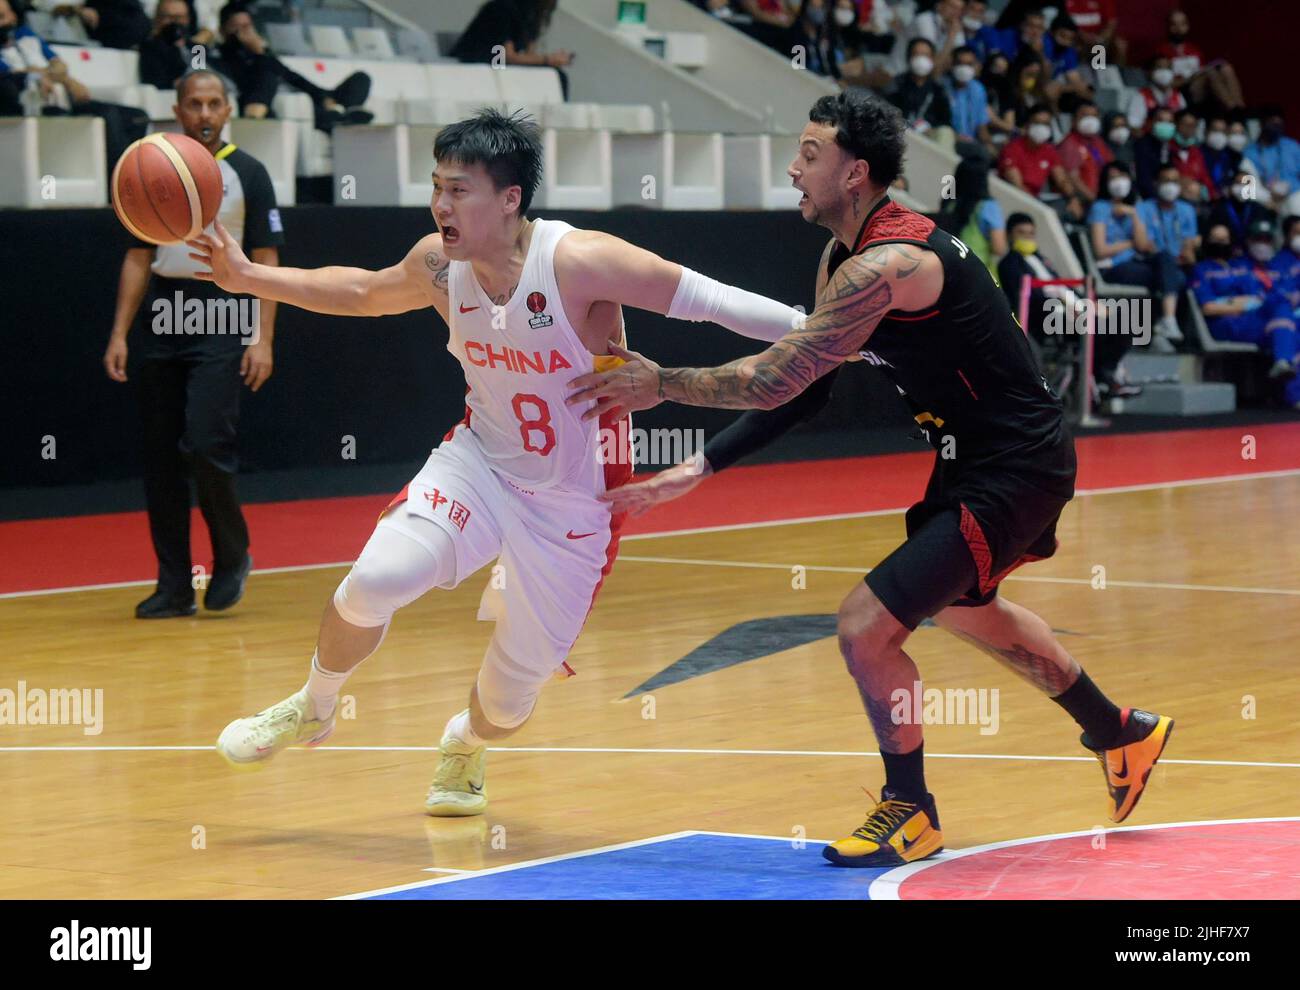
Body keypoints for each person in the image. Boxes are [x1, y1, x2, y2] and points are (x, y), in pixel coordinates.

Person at [568, 89, 1174, 867]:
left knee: (864, 627)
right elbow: (810, 387)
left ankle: (911, 810)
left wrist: (664, 383)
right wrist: (695, 467)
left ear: (854, 174)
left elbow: (774, 377)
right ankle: (1121, 731)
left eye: (809, 155)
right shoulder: (842, 259)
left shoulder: (891, 266)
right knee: (969, 614)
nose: (793, 168)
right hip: (973, 463)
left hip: (1018, 466)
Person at [193, 108, 813, 815]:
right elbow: (363, 293)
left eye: (459, 191)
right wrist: (247, 278)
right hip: (481, 463)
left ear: (510, 199)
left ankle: (465, 741)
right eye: (436, 188)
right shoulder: (438, 264)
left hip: (577, 502)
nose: (441, 205)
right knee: (374, 579)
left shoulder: (579, 261)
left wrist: (823, 333)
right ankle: (315, 702)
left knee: (508, 701)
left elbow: (712, 302)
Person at [103, 70, 282, 619]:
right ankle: (175, 585)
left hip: (223, 313)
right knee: (160, 457)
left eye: (214, 103)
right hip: (164, 313)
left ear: (228, 110)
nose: (204, 113)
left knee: (205, 444)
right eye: (194, 104)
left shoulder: (248, 171)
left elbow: (266, 259)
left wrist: (263, 338)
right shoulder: (152, 166)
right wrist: (119, 332)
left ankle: (232, 557)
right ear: (178, 111)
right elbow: (139, 254)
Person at [998, 211, 1140, 400]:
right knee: (1099, 327)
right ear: (1010, 235)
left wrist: (1088, 303)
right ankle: (1102, 378)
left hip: (1070, 308)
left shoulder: (1042, 260)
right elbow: (1030, 299)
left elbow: (1062, 286)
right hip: (1046, 316)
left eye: (1031, 233)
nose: (1027, 238)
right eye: (1022, 233)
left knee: (1126, 320)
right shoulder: (1009, 264)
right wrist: (1068, 307)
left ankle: (1105, 374)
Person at [216, 2, 371, 132]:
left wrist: (323, 97)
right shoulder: (224, 55)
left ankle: (345, 112)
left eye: (248, 26)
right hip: (286, 101)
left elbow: (292, 76)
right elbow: (255, 82)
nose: (246, 33)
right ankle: (341, 119)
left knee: (361, 78)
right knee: (305, 106)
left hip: (309, 95)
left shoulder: (263, 52)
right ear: (223, 30)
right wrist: (259, 53)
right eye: (238, 27)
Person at [1192, 222, 1299, 405]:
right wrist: (1242, 304)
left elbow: (1259, 298)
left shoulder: (1243, 269)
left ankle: (1286, 373)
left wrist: (1249, 302)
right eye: (1216, 240)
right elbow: (1208, 307)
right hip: (1227, 322)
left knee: (1287, 319)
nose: (1221, 244)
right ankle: (1290, 390)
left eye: (1225, 240)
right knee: (1286, 323)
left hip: (1252, 320)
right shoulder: (1203, 269)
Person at [1089, 160, 1185, 350]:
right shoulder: (1099, 208)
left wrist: (1133, 215)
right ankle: (1162, 325)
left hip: (1134, 263)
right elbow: (1100, 250)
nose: (1119, 182)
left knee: (1169, 263)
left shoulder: (1135, 208)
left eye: (1123, 177)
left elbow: (1143, 245)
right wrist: (1129, 243)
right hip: (1111, 266)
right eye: (1113, 178)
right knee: (1173, 277)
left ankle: (1167, 320)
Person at [452, 0, 573, 98]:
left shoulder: (530, 16)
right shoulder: (502, 9)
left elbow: (528, 55)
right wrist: (547, 60)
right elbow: (505, 56)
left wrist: (548, 60)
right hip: (480, 62)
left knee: (554, 75)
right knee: (557, 76)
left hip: (497, 64)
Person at [1156, 9, 1243, 117]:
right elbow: (1164, 82)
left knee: (1226, 68)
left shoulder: (1194, 49)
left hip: (1201, 85)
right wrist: (1190, 77)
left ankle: (1239, 107)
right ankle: (1232, 110)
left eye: (1182, 24)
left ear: (1187, 26)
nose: (1178, 29)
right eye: (1174, 24)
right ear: (1168, 27)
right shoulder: (1163, 51)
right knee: (1210, 72)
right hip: (1182, 90)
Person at [935, 153, 1005, 273]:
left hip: (944, 266)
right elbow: (999, 248)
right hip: (973, 270)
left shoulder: (949, 203)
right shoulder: (988, 206)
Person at [885, 36, 953, 148]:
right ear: (908, 58)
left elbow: (946, 122)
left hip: (930, 138)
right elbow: (887, 116)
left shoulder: (938, 90)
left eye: (925, 55)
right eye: (916, 54)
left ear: (932, 59)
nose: (921, 59)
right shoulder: (896, 85)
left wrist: (930, 129)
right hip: (902, 135)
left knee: (945, 133)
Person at [139, 0, 212, 91]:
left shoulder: (197, 48)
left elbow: (204, 72)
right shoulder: (150, 47)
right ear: (157, 19)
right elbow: (156, 82)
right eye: (168, 17)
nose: (174, 22)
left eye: (179, 17)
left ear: (187, 19)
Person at [1244, 107, 1300, 217]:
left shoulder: (1292, 146)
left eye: (1279, 124)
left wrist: (1289, 187)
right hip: (1266, 197)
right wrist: (1267, 195)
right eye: (1272, 123)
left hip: (1293, 194)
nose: (1276, 127)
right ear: (1261, 124)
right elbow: (1247, 181)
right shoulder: (1250, 151)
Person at [1206, 168, 1276, 249]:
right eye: (1238, 183)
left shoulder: (1258, 209)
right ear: (1231, 186)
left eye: (1246, 184)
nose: (1242, 187)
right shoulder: (1219, 209)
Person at [1056, 99, 1111, 204]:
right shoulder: (1069, 144)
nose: (1090, 120)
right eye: (1085, 116)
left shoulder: (1098, 142)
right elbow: (1073, 179)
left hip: (1102, 198)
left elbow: (1109, 167)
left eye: (1094, 116)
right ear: (1074, 120)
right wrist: (1095, 200)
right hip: (1083, 201)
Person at [1126, 55, 1186, 135]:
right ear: (1150, 72)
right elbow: (1134, 126)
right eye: (1159, 67)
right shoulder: (1141, 95)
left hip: (1173, 143)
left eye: (1168, 68)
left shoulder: (1178, 96)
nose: (1164, 72)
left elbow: (1184, 124)